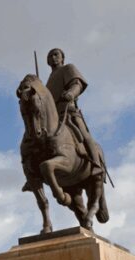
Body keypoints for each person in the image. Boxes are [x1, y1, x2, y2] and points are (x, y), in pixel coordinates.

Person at [45, 48, 102, 176]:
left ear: (62, 58)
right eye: (50, 56)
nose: (53, 57)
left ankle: (96, 162)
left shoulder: (68, 68)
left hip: (68, 111)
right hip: (53, 117)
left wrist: (71, 93)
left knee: (83, 133)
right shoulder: (48, 82)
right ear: (48, 61)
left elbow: (77, 84)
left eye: (56, 54)